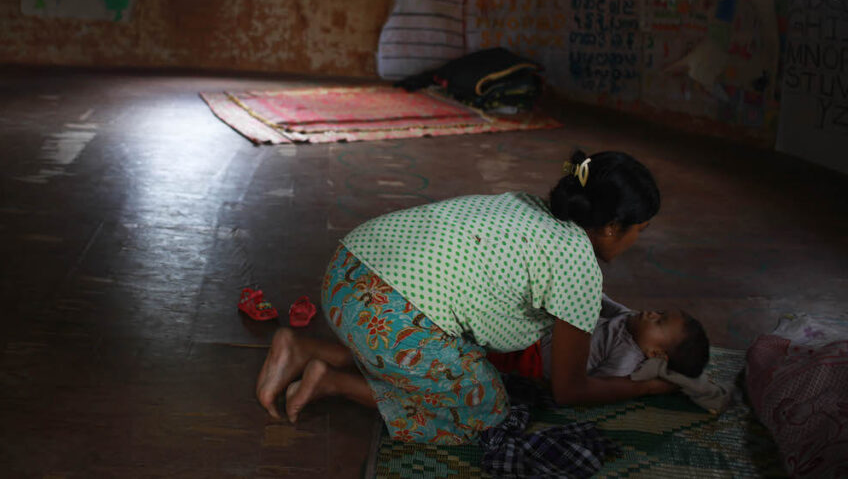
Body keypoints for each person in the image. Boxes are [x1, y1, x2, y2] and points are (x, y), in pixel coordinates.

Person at [256, 149, 674, 445]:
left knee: (436, 357)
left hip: (345, 273)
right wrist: (645, 389)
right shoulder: (579, 268)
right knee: (483, 409)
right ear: (612, 226)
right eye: (641, 229)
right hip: (385, 316)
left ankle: (299, 345)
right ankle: (331, 383)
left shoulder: (527, 204)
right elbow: (569, 389)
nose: (637, 240)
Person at [540, 296, 710, 379]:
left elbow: (597, 383)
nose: (652, 314)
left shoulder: (626, 357)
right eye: (660, 313)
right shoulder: (630, 318)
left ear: (655, 353)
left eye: (659, 322)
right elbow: (599, 297)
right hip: (547, 328)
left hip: (541, 358)